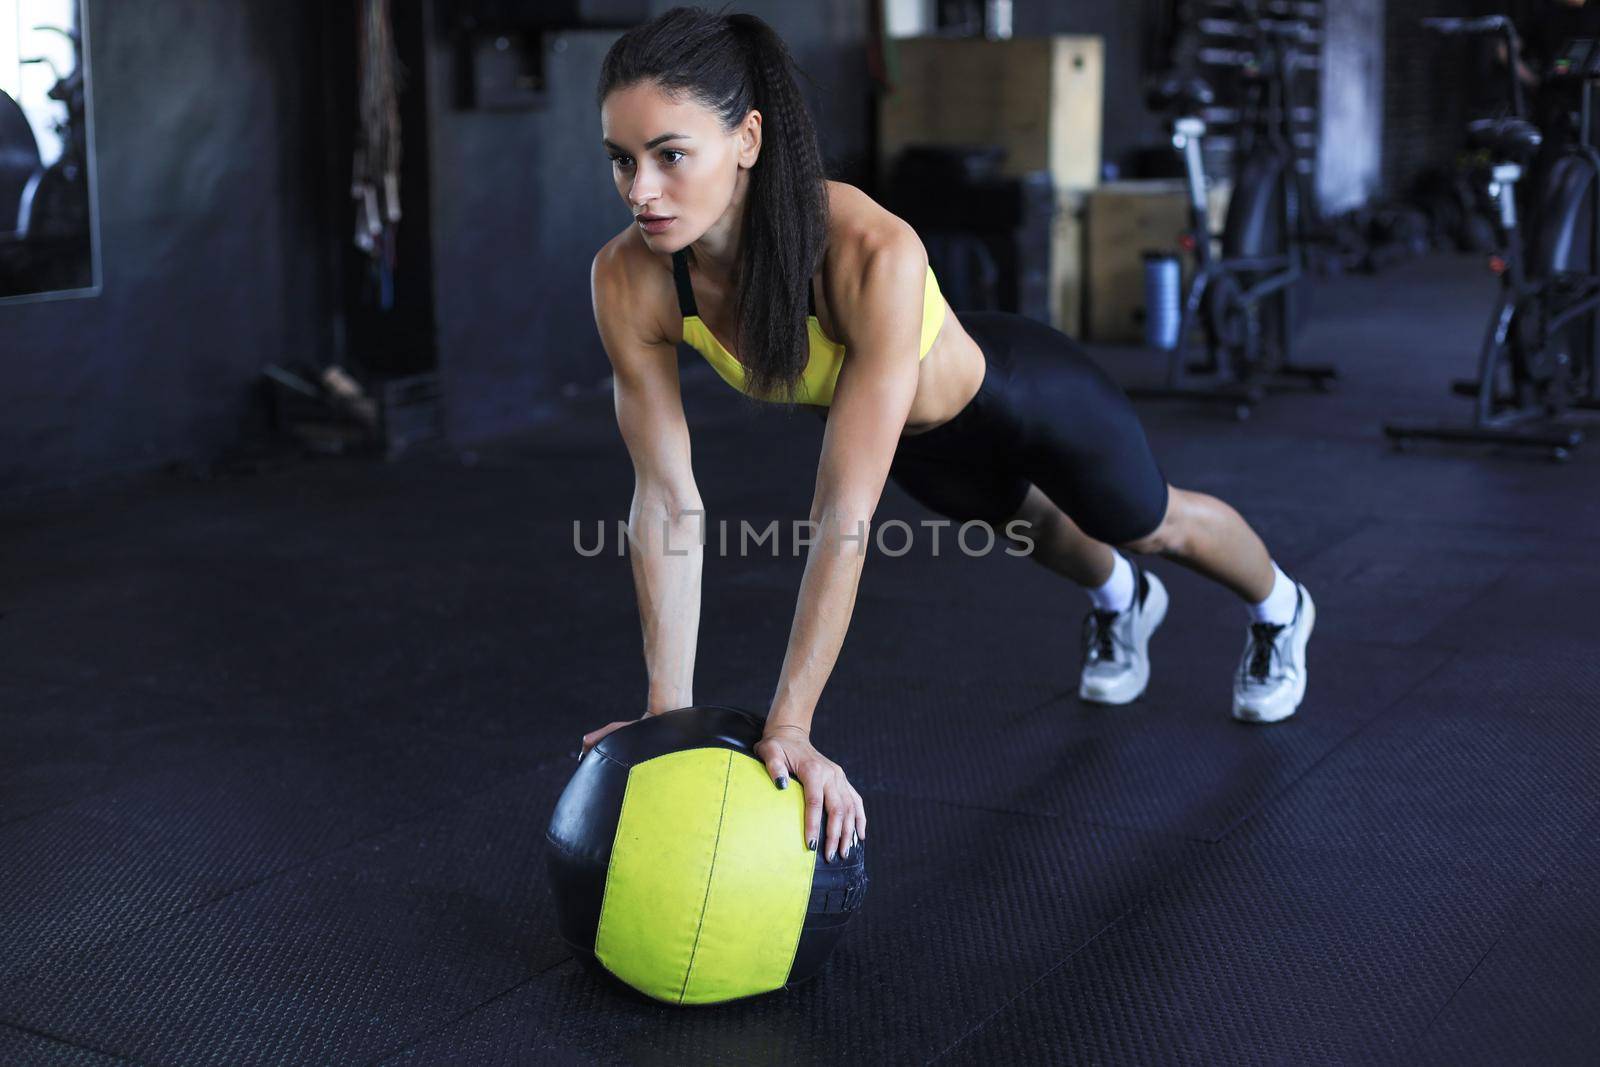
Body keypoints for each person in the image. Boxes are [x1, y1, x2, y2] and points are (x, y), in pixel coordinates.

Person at [580, 7, 1316, 865]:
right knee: (1044, 538)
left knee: (1147, 522)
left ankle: (1283, 607)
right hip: (922, 446)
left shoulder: (864, 250)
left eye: (671, 155)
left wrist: (792, 725)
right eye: (622, 161)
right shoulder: (629, 278)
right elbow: (667, 497)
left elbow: (843, 508)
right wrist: (668, 719)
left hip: (1024, 396)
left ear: (746, 139)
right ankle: (1124, 601)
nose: (641, 191)